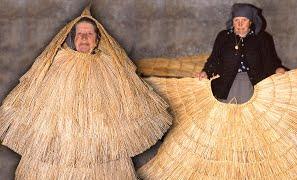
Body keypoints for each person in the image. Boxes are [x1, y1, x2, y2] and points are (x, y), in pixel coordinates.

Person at [0, 6, 172, 179]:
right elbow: (35, 97)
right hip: (61, 142)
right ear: (73, 39)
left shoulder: (111, 67)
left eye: (89, 34)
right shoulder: (57, 62)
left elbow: (129, 101)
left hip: (101, 146)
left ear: (97, 40)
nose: (83, 38)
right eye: (79, 34)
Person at [197, 3, 286, 104]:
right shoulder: (223, 37)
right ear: (232, 22)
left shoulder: (262, 38)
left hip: (253, 83)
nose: (240, 24)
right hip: (226, 82)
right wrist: (205, 72)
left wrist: (277, 69)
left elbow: (269, 60)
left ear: (251, 22)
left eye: (244, 20)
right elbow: (213, 59)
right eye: (236, 20)